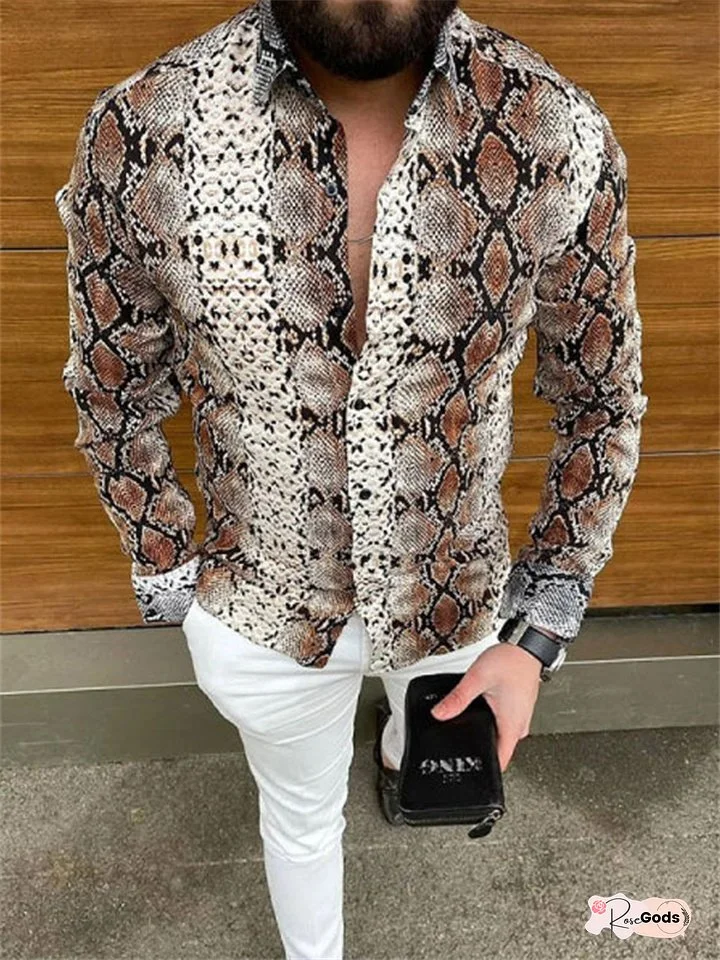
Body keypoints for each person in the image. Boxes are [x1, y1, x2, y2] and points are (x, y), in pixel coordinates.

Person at [54, 1, 648, 956]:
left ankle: (401, 748)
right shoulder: (143, 129)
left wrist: (537, 633)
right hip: (262, 611)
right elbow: (113, 390)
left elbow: (600, 398)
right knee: (299, 819)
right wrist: (172, 577)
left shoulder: (553, 128)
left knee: (427, 725)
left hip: (457, 593)